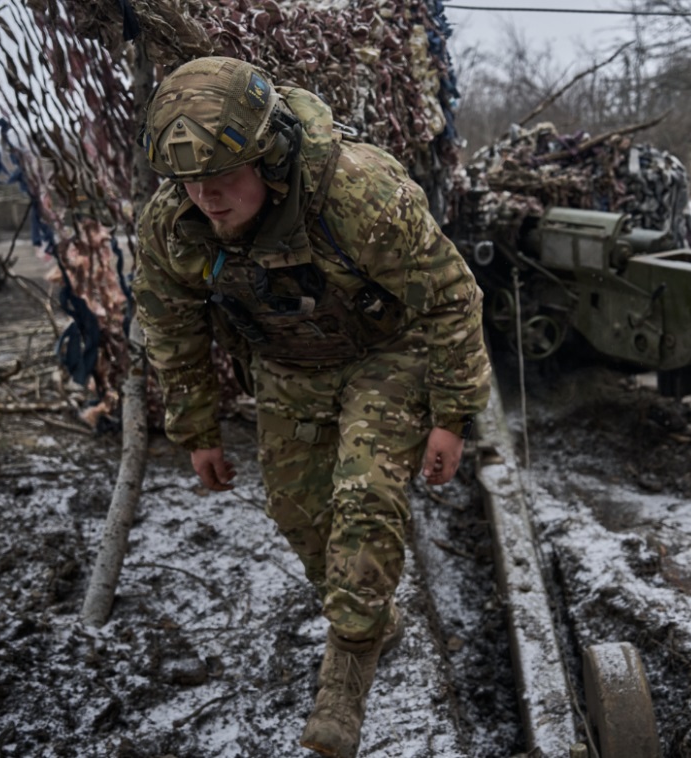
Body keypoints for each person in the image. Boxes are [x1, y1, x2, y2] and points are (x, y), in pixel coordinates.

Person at [131, 56, 492, 758]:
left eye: (222, 177)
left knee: (366, 496)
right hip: (288, 364)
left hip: (388, 353)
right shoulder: (174, 225)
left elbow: (451, 299)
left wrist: (452, 417)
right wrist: (197, 429)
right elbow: (172, 330)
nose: (206, 197)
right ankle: (371, 616)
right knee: (301, 515)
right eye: (189, 182)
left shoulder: (358, 193)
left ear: (268, 158)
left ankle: (346, 674)